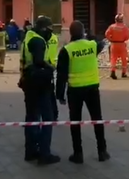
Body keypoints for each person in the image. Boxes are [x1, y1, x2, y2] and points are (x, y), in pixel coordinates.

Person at [57, 20, 110, 164]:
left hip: (75, 90)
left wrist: (59, 94)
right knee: (97, 119)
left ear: (70, 33)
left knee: (75, 122)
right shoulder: (92, 46)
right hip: (92, 88)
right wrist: (89, 36)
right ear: (83, 32)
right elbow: (101, 42)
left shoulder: (66, 50)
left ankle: (78, 154)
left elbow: (61, 74)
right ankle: (102, 151)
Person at [19, 16, 60, 165]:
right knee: (47, 118)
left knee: (31, 117)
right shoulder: (38, 41)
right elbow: (38, 61)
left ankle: (30, 151)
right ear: (44, 28)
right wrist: (50, 67)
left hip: (28, 82)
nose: (51, 32)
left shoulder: (29, 36)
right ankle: (44, 154)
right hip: (40, 84)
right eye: (49, 29)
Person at [105, 14, 129, 80]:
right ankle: (123, 73)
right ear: (121, 20)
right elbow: (127, 37)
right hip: (121, 44)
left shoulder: (112, 26)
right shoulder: (125, 27)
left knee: (113, 58)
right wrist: (123, 39)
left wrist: (110, 39)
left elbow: (106, 34)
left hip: (113, 44)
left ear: (115, 20)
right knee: (124, 59)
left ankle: (113, 71)